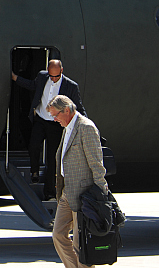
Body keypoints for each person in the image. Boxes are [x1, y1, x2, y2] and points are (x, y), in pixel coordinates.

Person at [46, 95, 107, 268]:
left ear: (67, 110)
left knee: (81, 244)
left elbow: (96, 164)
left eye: (55, 115)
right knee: (58, 234)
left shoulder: (86, 127)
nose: (54, 119)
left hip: (84, 195)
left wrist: (101, 194)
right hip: (67, 193)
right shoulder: (67, 128)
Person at [12, 59, 86, 200]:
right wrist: (15, 78)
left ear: (61, 71)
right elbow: (31, 85)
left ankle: (50, 192)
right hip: (40, 119)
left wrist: (86, 125)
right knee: (33, 145)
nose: (53, 79)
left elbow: (79, 108)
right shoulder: (42, 77)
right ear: (47, 70)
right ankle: (34, 171)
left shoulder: (70, 86)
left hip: (55, 124)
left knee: (53, 158)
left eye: (56, 76)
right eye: (51, 76)